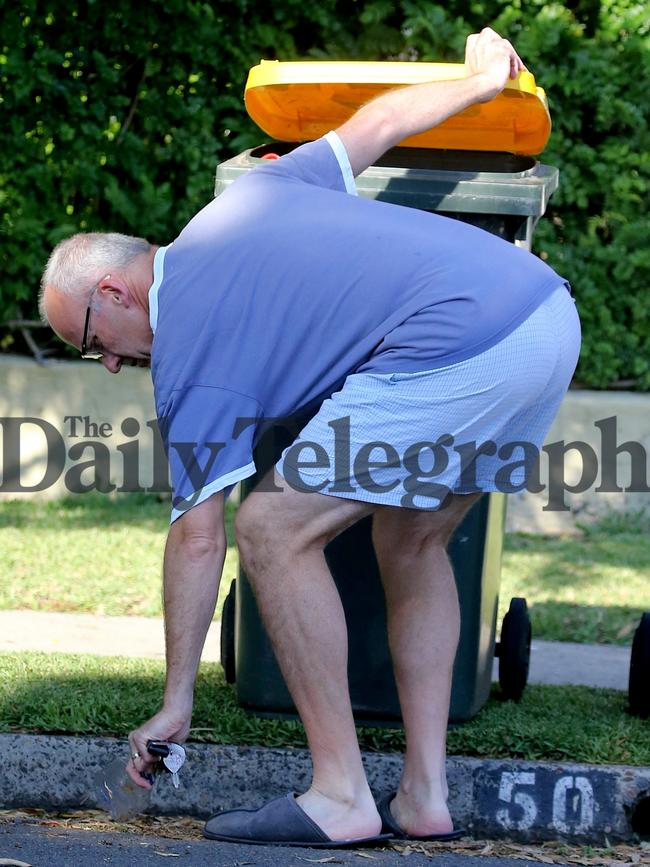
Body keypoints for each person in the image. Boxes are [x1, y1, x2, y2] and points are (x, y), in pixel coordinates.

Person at [40, 27, 581, 848]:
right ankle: (424, 794)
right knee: (412, 542)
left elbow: (199, 537)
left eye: (91, 340)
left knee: (272, 527)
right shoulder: (248, 198)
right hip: (542, 317)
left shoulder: (188, 344)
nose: (107, 362)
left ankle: (340, 793)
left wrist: (177, 699)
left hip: (455, 340)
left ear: (112, 289)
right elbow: (378, 126)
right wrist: (476, 84)